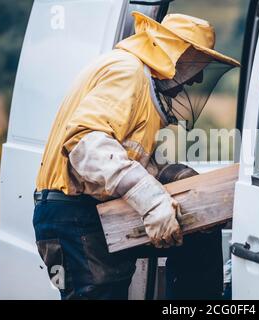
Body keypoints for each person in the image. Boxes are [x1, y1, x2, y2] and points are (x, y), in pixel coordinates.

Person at [33, 12, 239, 300]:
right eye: (197, 66)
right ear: (175, 54)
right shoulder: (127, 71)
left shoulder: (143, 86)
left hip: (93, 211)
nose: (198, 79)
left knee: (197, 233)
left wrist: (168, 176)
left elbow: (125, 158)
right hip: (71, 215)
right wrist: (152, 200)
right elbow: (87, 145)